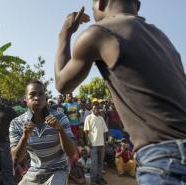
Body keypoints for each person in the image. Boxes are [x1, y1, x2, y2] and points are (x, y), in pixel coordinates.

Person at [54, 0, 186, 184]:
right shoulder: (161, 37)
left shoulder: (99, 32)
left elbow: (62, 84)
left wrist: (65, 33)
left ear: (100, 3)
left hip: (166, 159)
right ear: (137, 5)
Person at [9, 80, 76, 185]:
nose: (37, 97)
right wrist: (24, 137)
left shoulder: (60, 118)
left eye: (41, 94)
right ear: (25, 99)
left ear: (45, 98)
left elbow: (71, 152)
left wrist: (60, 130)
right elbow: (16, 158)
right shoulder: (16, 123)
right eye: (32, 94)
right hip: (35, 172)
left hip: (58, 170)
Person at [84, 105, 108, 185]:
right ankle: (93, 180)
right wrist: (88, 141)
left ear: (99, 109)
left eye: (97, 108)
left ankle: (99, 178)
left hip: (101, 144)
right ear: (92, 109)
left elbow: (105, 131)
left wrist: (104, 142)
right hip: (93, 144)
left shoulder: (101, 118)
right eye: (94, 108)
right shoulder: (89, 117)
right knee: (94, 163)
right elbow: (86, 131)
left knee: (100, 162)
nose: (96, 109)